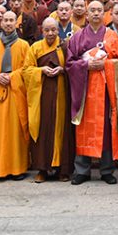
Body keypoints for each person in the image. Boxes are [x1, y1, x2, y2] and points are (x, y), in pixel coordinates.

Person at [65, 0, 118, 185]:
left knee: (106, 130)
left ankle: (107, 169)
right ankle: (82, 170)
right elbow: (70, 63)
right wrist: (86, 65)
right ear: (87, 15)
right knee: (84, 128)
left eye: (99, 10)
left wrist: (106, 64)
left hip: (106, 91)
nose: (96, 13)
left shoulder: (111, 36)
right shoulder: (77, 37)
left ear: (104, 14)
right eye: (92, 10)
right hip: (85, 92)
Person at [22, 17, 76, 183]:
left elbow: (73, 66)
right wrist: (41, 70)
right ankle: (42, 169)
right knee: (43, 128)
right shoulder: (35, 47)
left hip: (62, 94)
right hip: (42, 95)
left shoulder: (65, 46)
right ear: (42, 31)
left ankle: (63, 170)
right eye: (47, 30)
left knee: (62, 129)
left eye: (53, 30)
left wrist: (63, 69)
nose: (51, 33)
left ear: (58, 30)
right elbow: (26, 70)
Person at [0, 12, 31, 180]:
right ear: (0, 22)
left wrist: (12, 76)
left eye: (11, 20)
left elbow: (28, 67)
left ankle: (17, 168)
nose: (8, 23)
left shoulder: (24, 46)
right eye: (6, 20)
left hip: (16, 93)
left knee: (16, 132)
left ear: (16, 23)